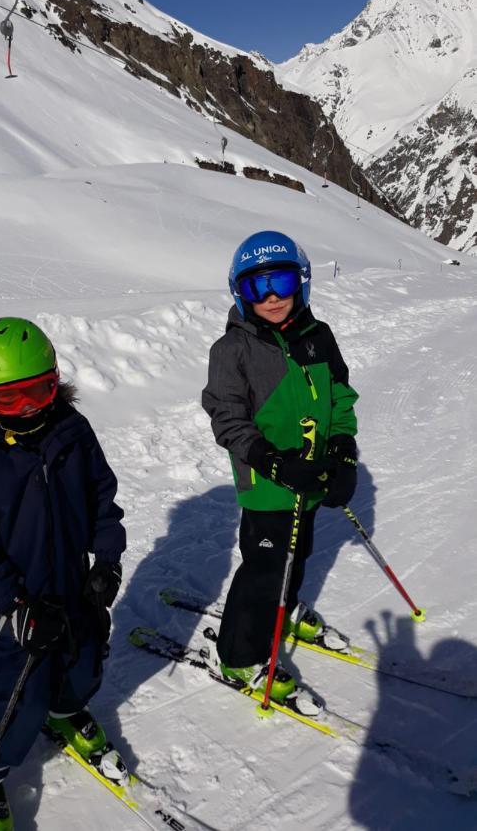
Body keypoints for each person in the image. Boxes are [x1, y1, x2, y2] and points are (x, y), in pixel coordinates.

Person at [0, 317, 125, 830]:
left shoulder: (71, 430)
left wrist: (106, 558)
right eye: (9, 400)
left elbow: (102, 496)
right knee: (16, 693)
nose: (31, 408)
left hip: (72, 584)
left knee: (84, 661)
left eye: (40, 390)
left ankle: (66, 708)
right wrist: (11, 608)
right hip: (14, 606)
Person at [201, 230, 358, 714]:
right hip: (267, 487)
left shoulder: (318, 337)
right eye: (256, 287)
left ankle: (282, 610)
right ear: (239, 292)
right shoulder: (233, 350)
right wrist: (269, 459)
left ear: (302, 283)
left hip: (310, 480)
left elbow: (340, 398)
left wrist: (343, 449)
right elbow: (226, 416)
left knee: (300, 551)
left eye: (281, 282)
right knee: (265, 567)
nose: (271, 297)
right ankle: (239, 655)